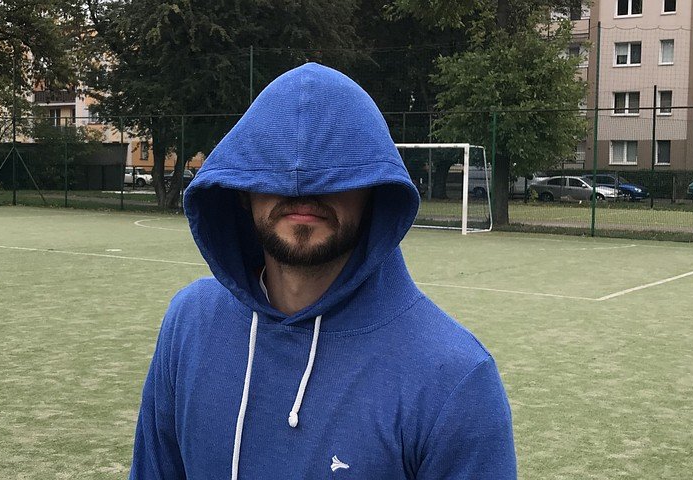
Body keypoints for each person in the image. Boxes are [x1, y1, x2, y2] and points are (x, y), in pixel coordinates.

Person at [128, 63, 516, 479]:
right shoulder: (190, 323)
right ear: (241, 189)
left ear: (376, 190)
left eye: (335, 166)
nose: (302, 184)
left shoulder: (456, 379)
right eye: (276, 163)